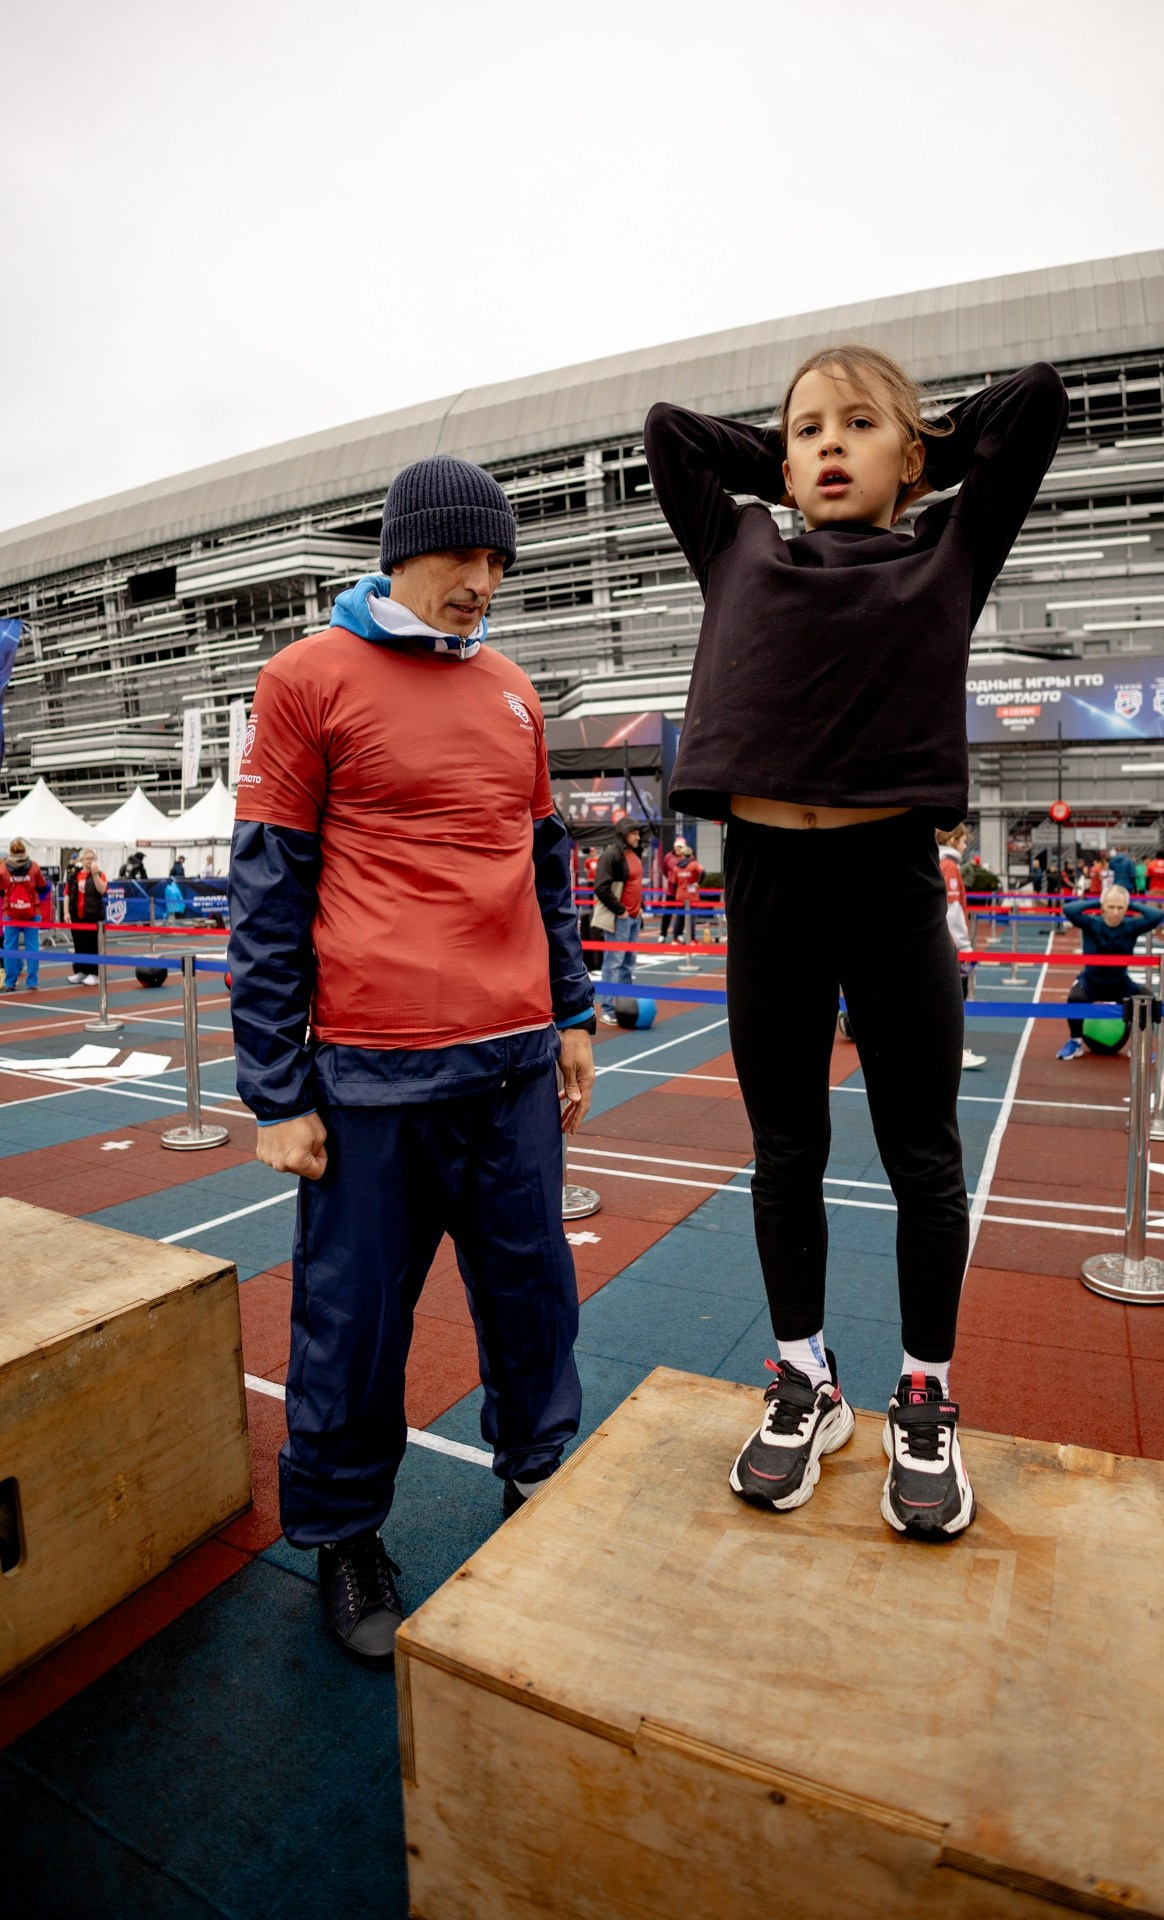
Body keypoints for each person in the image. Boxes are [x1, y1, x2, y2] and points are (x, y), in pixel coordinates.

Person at [646, 344, 1068, 1536]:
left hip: (886, 882)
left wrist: (921, 442)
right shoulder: (739, 544)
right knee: (784, 1152)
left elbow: (1034, 403)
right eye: (807, 429)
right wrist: (783, 461)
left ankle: (922, 1395)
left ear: (915, 457)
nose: (829, 443)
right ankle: (804, 1379)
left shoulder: (948, 550)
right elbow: (670, 432)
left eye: (858, 425)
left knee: (920, 1157)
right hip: (766, 885)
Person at [229, 454, 596, 1669]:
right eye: (460, 556)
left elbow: (544, 867)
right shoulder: (305, 678)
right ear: (401, 552)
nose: (480, 581)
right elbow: (267, 895)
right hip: (372, 1080)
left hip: (512, 1069)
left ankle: (536, 1474)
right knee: (352, 1325)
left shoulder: (511, 689)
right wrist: (275, 1090)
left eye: (496, 562)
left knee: (534, 1298)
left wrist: (573, 1014)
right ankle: (344, 1537)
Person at [1056, 886, 1163, 1060]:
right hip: (1091, 981)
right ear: (1103, 907)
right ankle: (1075, 1042)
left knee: (1147, 999)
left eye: (1120, 908)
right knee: (1075, 997)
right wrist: (1099, 901)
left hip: (1119, 982)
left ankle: (1138, 1046)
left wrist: (1129, 904)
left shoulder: (1131, 926)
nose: (1115, 912)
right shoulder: (1091, 923)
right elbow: (1069, 909)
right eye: (1111, 907)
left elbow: (1157, 915)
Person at [937, 825, 986, 1070]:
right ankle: (953, 1053)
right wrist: (965, 948)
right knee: (954, 1002)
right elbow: (953, 912)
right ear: (953, 839)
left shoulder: (936, 862)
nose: (966, 846)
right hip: (950, 947)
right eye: (964, 840)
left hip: (938, 945)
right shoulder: (950, 866)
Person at [593, 816, 645, 1024]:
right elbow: (600, 887)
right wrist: (620, 910)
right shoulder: (611, 855)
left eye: (638, 833)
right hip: (620, 919)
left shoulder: (633, 854)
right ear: (624, 834)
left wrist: (639, 908)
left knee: (628, 964)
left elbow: (635, 884)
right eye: (634, 833)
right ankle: (608, 1009)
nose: (638, 836)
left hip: (633, 917)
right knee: (613, 963)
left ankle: (625, 1007)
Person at [1, 839, 50, 992]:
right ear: (25, 851)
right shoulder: (34, 866)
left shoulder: (3, 868)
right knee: (32, 948)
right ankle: (32, 982)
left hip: (10, 912)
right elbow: (43, 887)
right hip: (32, 912)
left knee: (10, 949)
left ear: (10, 851)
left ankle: (10, 983)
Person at [67, 847, 107, 983]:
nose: (90, 861)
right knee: (79, 945)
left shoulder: (100, 874)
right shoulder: (74, 876)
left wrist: (95, 875)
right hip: (77, 916)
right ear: (82, 860)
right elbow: (67, 894)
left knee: (92, 945)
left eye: (92, 858)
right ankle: (81, 971)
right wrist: (66, 912)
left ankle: (94, 973)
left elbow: (102, 890)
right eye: (87, 858)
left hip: (93, 915)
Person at [662, 837, 703, 942]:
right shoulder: (670, 858)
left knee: (681, 916)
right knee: (678, 915)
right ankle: (667, 935)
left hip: (680, 893)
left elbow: (674, 881)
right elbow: (665, 870)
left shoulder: (680, 866)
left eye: (681, 847)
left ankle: (678, 937)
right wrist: (698, 883)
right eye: (677, 846)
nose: (679, 848)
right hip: (681, 893)